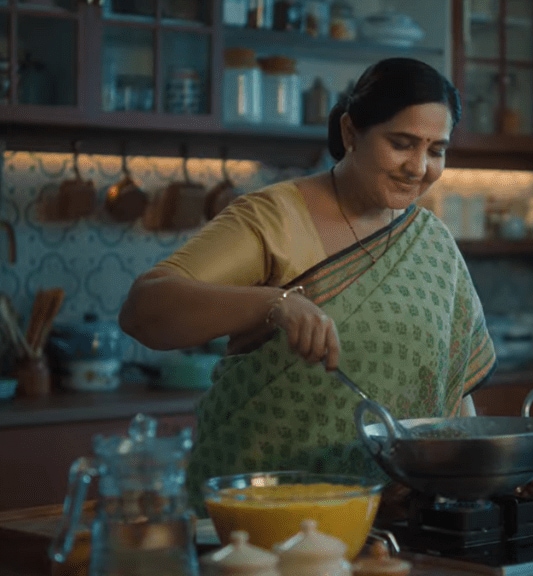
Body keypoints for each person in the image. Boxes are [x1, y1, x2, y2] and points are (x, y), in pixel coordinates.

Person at [119, 58, 499, 508]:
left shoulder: (433, 242)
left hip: (392, 514)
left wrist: (486, 480)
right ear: (351, 132)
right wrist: (275, 303)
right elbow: (144, 311)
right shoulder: (276, 218)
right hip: (259, 510)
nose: (418, 167)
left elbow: (454, 393)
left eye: (436, 150)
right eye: (401, 144)